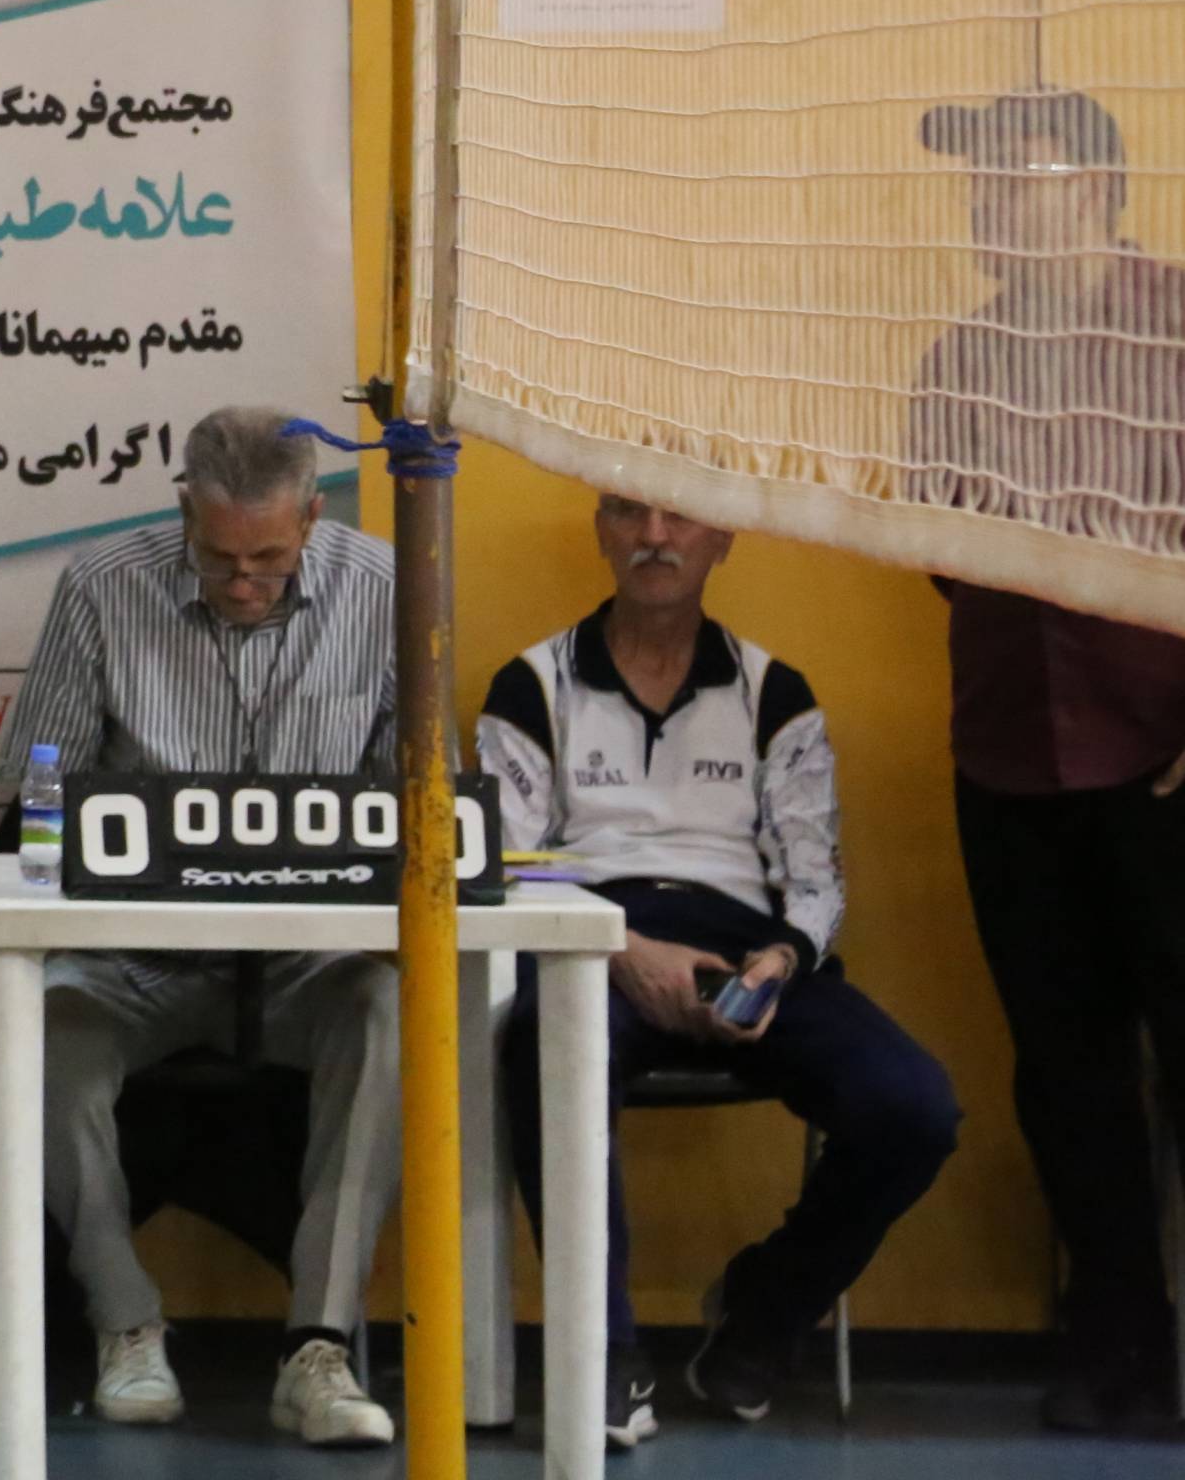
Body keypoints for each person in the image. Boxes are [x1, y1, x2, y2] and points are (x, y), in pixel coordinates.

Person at [481, 495, 959, 1447]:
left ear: (723, 538)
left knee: (913, 1106)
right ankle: (601, 1357)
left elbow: (814, 878)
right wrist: (622, 948)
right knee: (538, 1041)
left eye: (682, 519)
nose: (655, 537)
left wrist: (777, 963)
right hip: (594, 935)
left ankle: (763, 1312)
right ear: (601, 531)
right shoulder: (530, 683)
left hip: (747, 944)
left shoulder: (772, 689)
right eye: (630, 515)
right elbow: (506, 862)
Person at [0, 405, 403, 1448]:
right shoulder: (101, 585)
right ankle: (124, 1324)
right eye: (219, 557)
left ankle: (318, 1348)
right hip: (136, 960)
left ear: (310, 518)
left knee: (391, 1014)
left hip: (303, 963)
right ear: (185, 508)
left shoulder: (384, 591)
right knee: (41, 1028)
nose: (242, 583)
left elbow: (414, 798)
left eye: (268, 560)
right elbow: (39, 784)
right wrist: (59, 850)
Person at [908, 85, 1185, 1433]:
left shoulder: (1174, 328)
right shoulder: (955, 358)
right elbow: (938, 552)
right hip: (1008, 762)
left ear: (1100, 190)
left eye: (1019, 176)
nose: (992, 204)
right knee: (1065, 1078)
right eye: (981, 184)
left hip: (1166, 763)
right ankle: (1115, 1342)